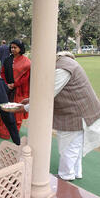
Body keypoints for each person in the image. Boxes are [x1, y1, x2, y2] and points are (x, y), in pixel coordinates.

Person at [9, 51, 100, 181]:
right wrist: (30, 100)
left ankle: (66, 176)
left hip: (76, 114)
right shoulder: (63, 62)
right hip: (82, 112)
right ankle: (75, 172)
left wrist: (23, 108)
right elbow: (49, 91)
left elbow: (47, 95)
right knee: (74, 145)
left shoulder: (62, 69)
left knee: (68, 147)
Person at [0, 39, 31, 139]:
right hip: (7, 89)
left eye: (15, 47)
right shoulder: (8, 60)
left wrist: (15, 84)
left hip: (19, 90)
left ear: (20, 48)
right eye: (11, 47)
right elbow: (2, 72)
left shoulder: (27, 62)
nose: (13, 49)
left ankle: (14, 131)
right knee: (5, 109)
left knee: (16, 110)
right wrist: (6, 84)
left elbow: (26, 77)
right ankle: (3, 131)